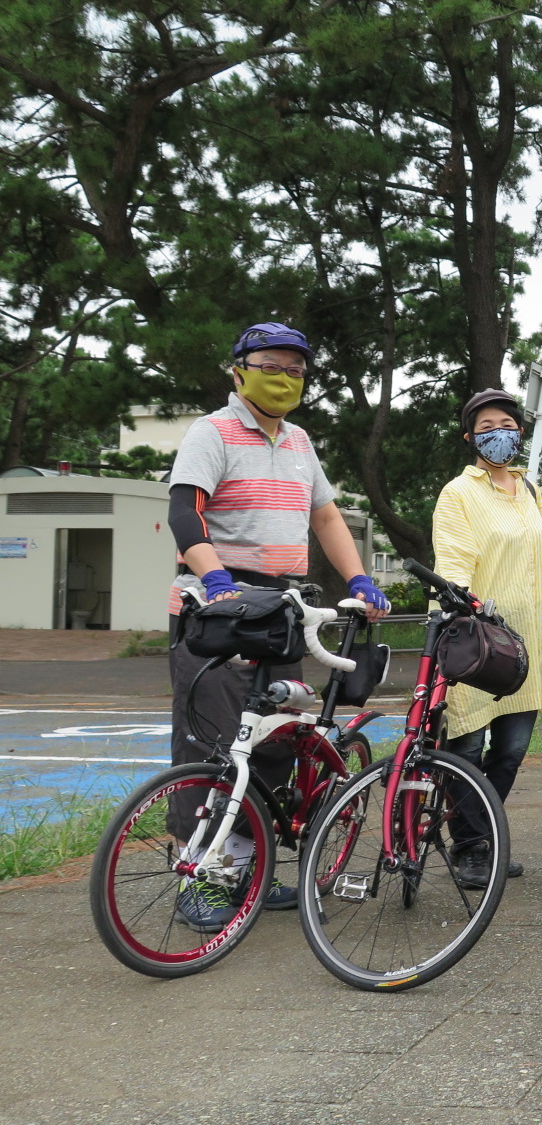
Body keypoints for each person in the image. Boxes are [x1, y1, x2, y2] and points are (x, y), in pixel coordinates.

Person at [165, 322, 389, 932]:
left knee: (273, 741)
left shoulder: (298, 441)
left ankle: (245, 868)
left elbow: (324, 515)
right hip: (216, 606)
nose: (284, 377)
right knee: (211, 744)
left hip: (280, 610)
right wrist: (214, 580)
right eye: (271, 364)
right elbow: (185, 512)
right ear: (238, 368)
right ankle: (201, 873)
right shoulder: (211, 431)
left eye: (296, 370)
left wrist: (360, 579)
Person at [432, 388, 542, 887]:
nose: (499, 434)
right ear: (471, 436)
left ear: (520, 431)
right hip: (478, 640)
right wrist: (463, 607)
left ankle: (481, 832)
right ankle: (469, 846)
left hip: (526, 641)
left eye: (507, 425)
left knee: (511, 750)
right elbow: (452, 561)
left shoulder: (530, 489)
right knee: (466, 748)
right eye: (487, 426)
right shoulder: (459, 492)